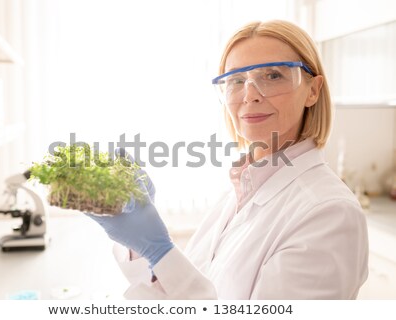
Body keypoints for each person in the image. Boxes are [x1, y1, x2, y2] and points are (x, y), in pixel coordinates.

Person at [88, 20, 369, 299]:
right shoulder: (241, 189)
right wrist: (141, 247)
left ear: (312, 90)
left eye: (273, 76)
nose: (249, 95)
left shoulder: (329, 213)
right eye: (236, 80)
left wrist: (159, 250)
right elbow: (192, 295)